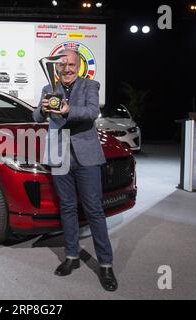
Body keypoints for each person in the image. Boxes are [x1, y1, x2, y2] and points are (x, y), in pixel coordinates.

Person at [33, 49, 118, 291]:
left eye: (71, 64)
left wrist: (68, 110)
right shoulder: (48, 88)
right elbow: (37, 116)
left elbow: (92, 112)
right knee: (67, 207)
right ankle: (71, 256)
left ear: (78, 65)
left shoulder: (90, 85)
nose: (66, 69)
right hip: (59, 156)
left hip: (87, 156)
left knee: (94, 209)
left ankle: (106, 264)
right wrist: (43, 109)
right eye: (62, 65)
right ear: (57, 68)